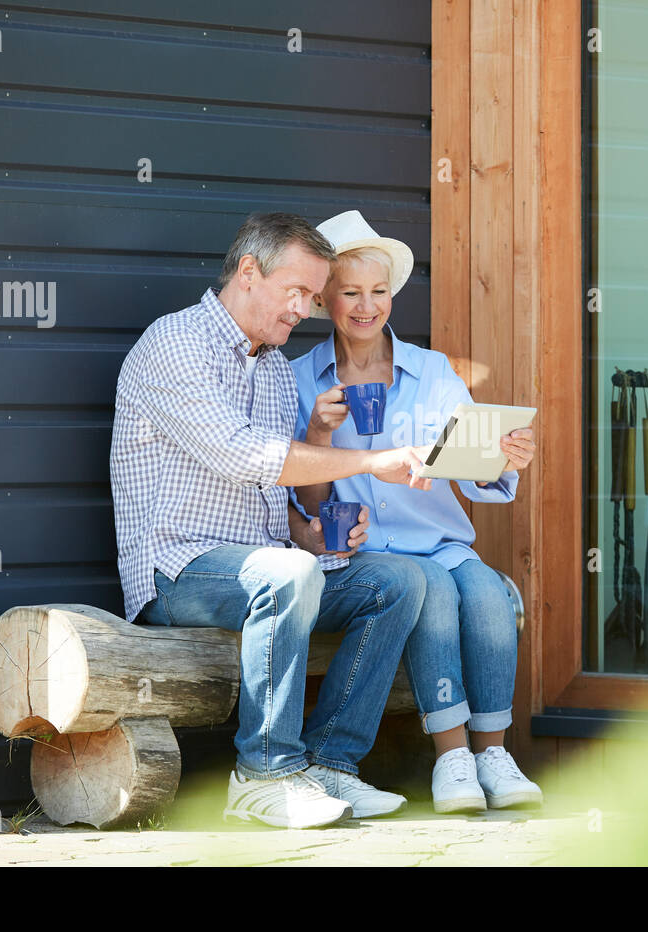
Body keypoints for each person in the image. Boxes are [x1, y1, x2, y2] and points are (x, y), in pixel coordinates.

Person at [109, 212, 435, 829]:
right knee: (288, 575)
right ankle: (264, 774)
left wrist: (307, 531)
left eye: (314, 297)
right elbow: (242, 454)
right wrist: (373, 459)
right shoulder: (176, 343)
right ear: (249, 271)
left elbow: (271, 491)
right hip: (178, 571)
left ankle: (332, 764)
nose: (305, 309)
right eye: (298, 291)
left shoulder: (275, 372)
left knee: (397, 582)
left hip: (268, 565)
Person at [291, 210, 544, 813]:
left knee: (485, 589)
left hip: (442, 543)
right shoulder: (300, 380)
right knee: (432, 587)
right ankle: (451, 758)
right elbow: (303, 502)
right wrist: (320, 438)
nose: (365, 305)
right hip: (368, 557)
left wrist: (504, 457)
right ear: (325, 298)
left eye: (378, 292)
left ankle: (491, 756)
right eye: (350, 292)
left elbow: (475, 465)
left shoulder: (431, 371)